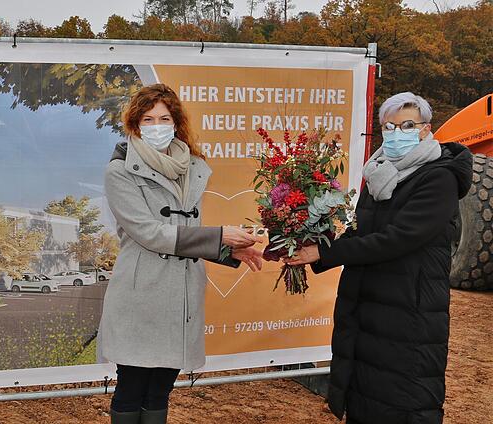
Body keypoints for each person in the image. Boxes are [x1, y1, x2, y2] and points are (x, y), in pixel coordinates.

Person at [286, 92, 472, 424]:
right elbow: (360, 232)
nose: (397, 133)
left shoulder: (438, 178)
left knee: (403, 403)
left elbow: (396, 240)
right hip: (367, 309)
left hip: (407, 315)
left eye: (408, 125)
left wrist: (325, 252)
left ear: (426, 130)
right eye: (389, 126)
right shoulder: (379, 176)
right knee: (365, 399)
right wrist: (309, 242)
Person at [98, 84, 264, 424]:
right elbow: (149, 232)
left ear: (176, 123)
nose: (157, 126)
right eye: (148, 118)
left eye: (164, 117)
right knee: (132, 388)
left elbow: (187, 232)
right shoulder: (119, 171)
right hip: (141, 294)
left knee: (161, 388)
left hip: (181, 294)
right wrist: (219, 235)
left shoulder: (192, 168)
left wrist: (228, 248)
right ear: (135, 124)